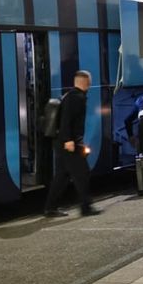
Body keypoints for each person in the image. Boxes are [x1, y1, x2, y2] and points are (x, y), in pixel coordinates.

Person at [44, 70, 99, 218]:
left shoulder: (69, 95)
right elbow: (66, 119)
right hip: (70, 143)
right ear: (85, 82)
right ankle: (86, 208)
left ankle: (50, 208)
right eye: (89, 81)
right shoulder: (76, 98)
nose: (90, 84)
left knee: (61, 176)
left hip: (62, 142)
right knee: (82, 173)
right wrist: (68, 140)